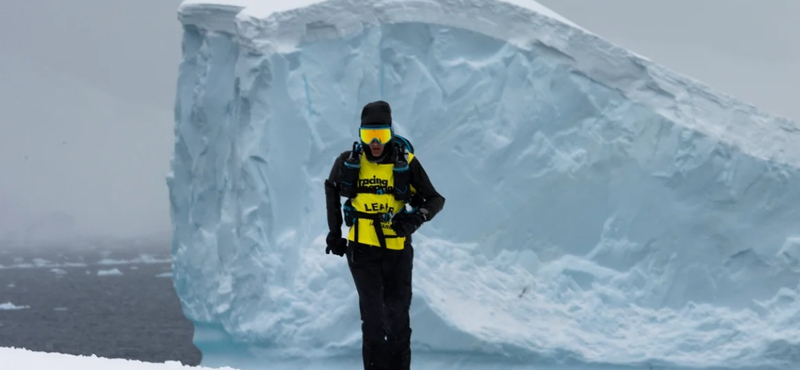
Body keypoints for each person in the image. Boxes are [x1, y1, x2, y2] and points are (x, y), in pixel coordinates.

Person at [324, 101, 445, 370]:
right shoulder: (347, 162)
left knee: (398, 317)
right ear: (360, 135)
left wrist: (414, 220)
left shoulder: (407, 162)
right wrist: (335, 233)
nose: (375, 142)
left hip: (397, 249)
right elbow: (331, 187)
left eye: (381, 134)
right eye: (368, 135)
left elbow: (435, 199)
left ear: (390, 132)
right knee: (374, 320)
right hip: (361, 250)